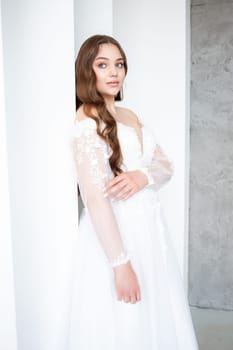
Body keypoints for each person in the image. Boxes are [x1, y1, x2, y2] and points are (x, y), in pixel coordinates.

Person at [69, 34, 199, 350]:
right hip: (117, 234)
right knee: (124, 318)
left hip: (150, 231)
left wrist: (142, 175)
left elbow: (165, 164)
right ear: (88, 70)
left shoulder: (131, 116)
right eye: (103, 65)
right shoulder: (87, 118)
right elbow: (95, 198)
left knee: (156, 310)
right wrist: (120, 263)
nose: (114, 72)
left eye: (119, 64)